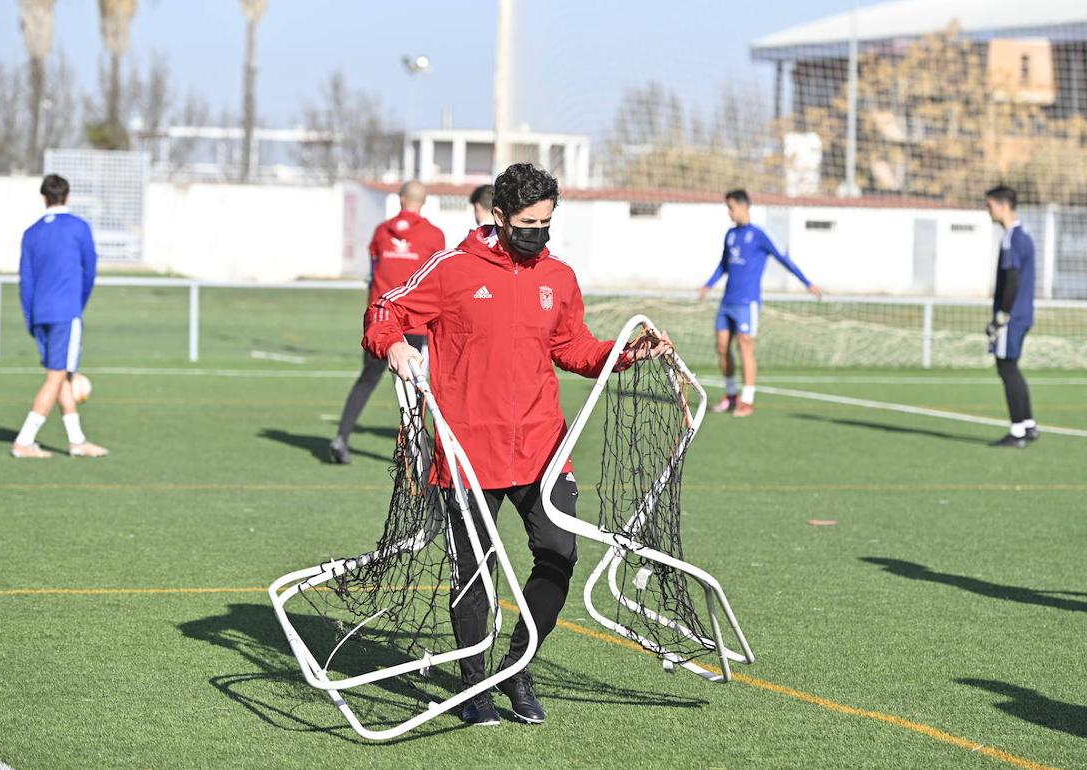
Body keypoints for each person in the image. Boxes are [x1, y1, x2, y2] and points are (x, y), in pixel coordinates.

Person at [363, 163, 669, 727]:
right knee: (474, 574)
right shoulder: (452, 268)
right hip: (467, 449)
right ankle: (474, 687)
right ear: (498, 217)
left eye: (547, 223)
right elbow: (386, 309)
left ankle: (517, 668)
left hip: (541, 445)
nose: (539, 233)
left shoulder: (559, 275)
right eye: (528, 223)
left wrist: (626, 353)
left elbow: (574, 348)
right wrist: (393, 346)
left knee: (559, 555)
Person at [329, 181, 445, 464]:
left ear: (401, 199)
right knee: (415, 389)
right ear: (423, 201)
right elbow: (437, 280)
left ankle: (342, 437)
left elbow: (372, 271)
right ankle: (412, 452)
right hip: (415, 325)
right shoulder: (433, 235)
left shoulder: (381, 232)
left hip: (380, 324)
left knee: (367, 379)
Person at [697, 189, 821, 417]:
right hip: (727, 302)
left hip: (748, 303)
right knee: (722, 348)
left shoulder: (759, 235)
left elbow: (784, 259)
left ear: (744, 207)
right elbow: (723, 264)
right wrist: (708, 284)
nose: (729, 212)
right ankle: (731, 395)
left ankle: (747, 400)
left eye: (731, 207)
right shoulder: (730, 235)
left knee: (745, 345)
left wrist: (807, 282)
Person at [11, 174, 107, 459]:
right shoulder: (79, 227)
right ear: (68, 196)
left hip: (40, 313)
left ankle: (77, 441)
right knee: (56, 376)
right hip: (66, 312)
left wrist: (30, 317)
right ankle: (24, 441)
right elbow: (89, 271)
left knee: (63, 374)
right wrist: (79, 304)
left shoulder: (32, 232)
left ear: (44, 198)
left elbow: (25, 280)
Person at [984, 185, 1039, 448]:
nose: (988, 211)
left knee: (1006, 368)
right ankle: (1027, 424)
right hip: (1023, 313)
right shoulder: (1024, 234)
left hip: (1013, 316)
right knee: (1011, 367)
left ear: (1003, 206)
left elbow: (1013, 280)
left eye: (990, 205)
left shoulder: (1012, 238)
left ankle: (1018, 431)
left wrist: (1001, 316)